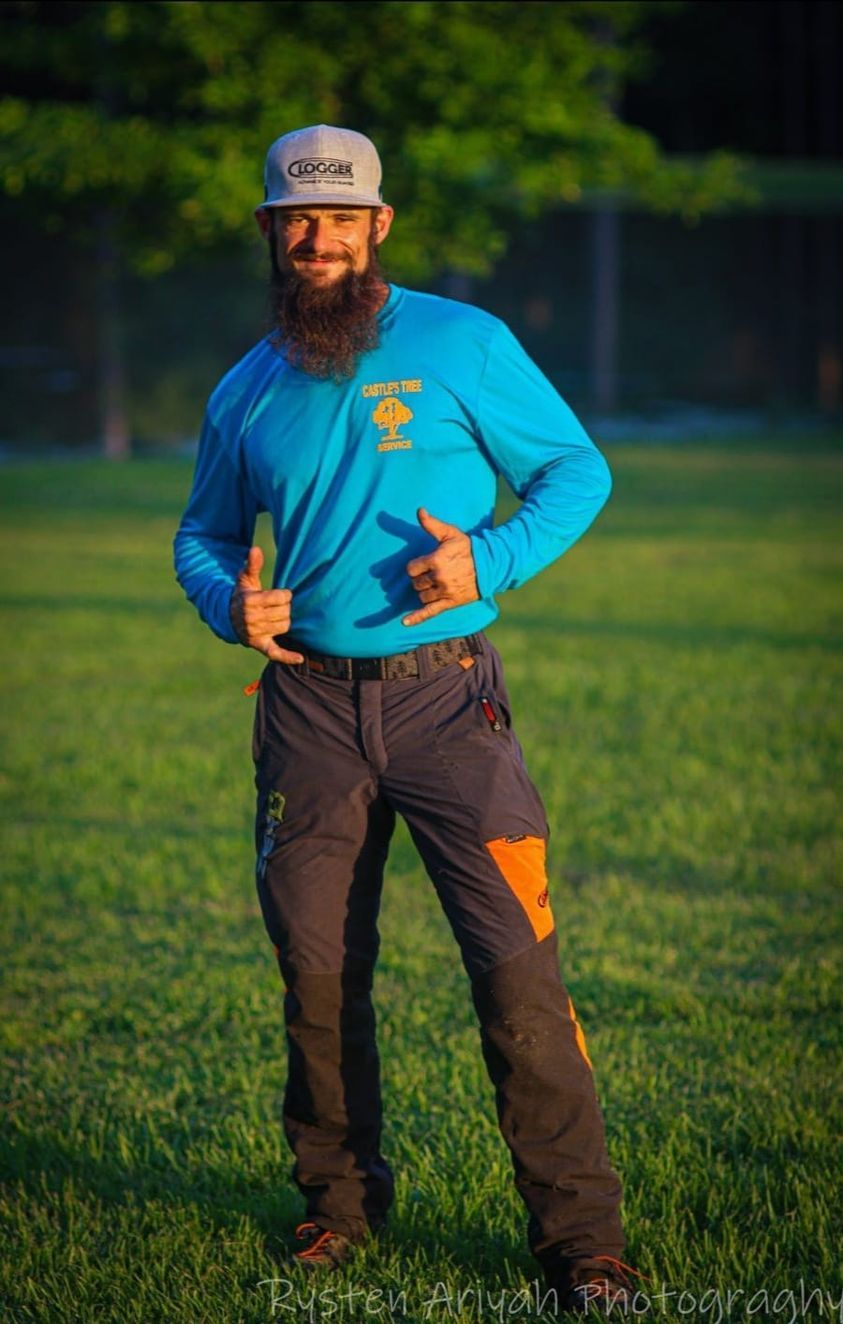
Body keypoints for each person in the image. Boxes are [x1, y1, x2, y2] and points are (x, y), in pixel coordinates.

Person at [174, 125, 636, 1315]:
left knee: (518, 978)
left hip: (449, 704)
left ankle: (583, 1247)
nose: (316, 237)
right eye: (294, 218)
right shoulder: (244, 385)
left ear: (379, 227)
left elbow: (575, 470)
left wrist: (489, 555)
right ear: (273, 233)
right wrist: (230, 597)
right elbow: (203, 533)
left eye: (339, 217)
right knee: (318, 977)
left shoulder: (462, 342)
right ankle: (337, 1208)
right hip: (307, 715)